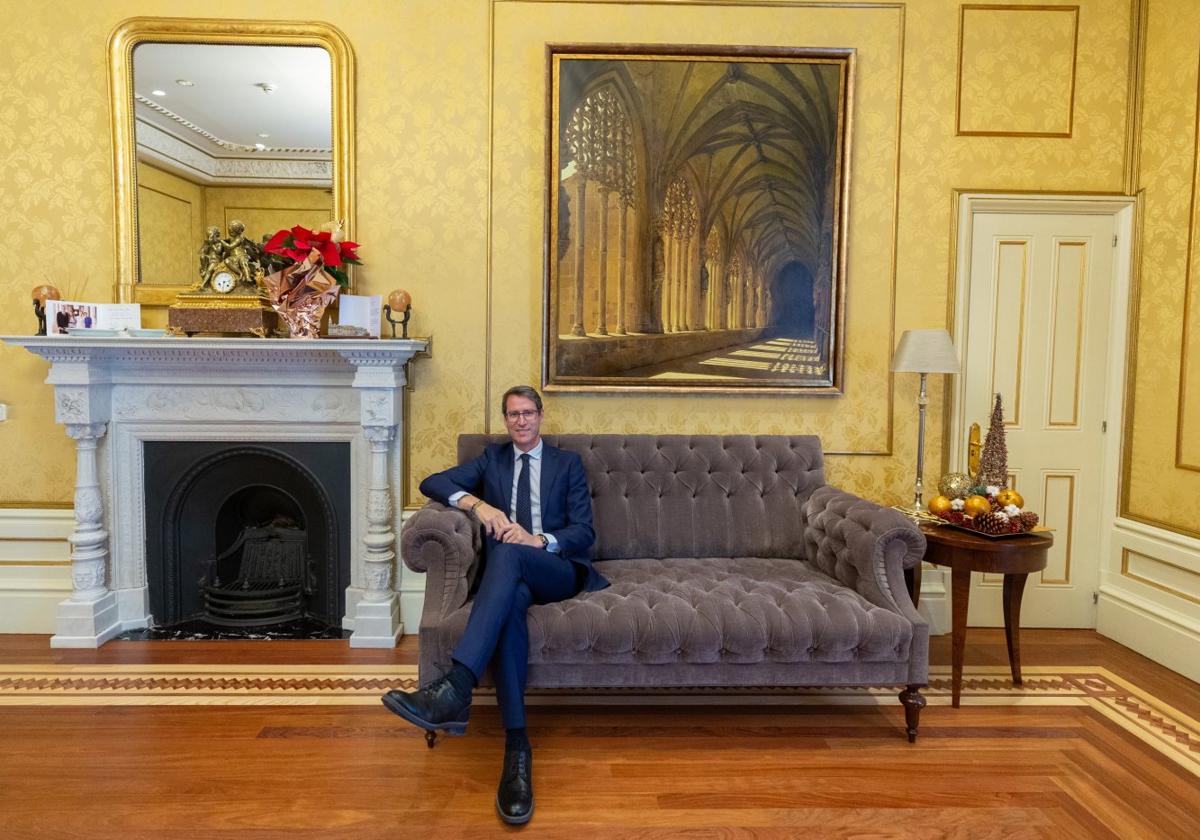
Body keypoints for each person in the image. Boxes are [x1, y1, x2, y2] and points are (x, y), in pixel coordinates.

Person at [382, 385, 607, 825]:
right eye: (512, 415)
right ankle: (517, 748)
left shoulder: (567, 464)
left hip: (555, 567)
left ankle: (456, 687)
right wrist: (478, 504)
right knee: (510, 601)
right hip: (513, 577)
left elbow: (584, 532)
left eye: (527, 413)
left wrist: (537, 539)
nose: (520, 421)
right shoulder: (492, 460)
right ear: (506, 421)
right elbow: (433, 482)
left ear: (541, 417)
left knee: (510, 552)